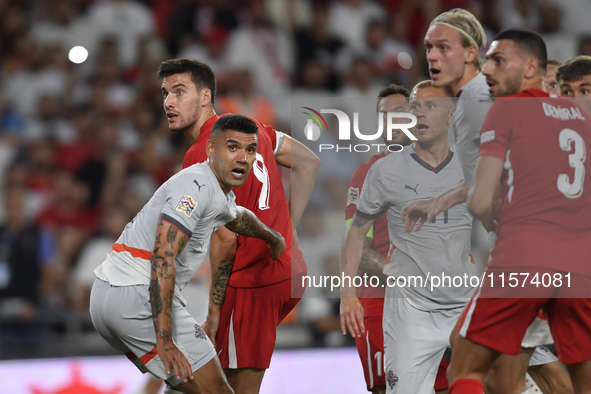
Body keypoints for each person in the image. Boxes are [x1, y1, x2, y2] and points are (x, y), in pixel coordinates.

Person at [407, 12, 568, 392]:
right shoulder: (475, 98)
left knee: (476, 361)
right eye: (429, 47)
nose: (432, 56)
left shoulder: (481, 99)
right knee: (529, 370)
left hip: (520, 252)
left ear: (470, 54)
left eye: (443, 47)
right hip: (545, 249)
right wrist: (441, 201)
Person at [89, 114, 287, 394]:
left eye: (250, 150)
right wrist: (165, 338)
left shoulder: (216, 193)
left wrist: (273, 237)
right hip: (135, 294)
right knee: (218, 391)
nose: (242, 157)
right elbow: (163, 256)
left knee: (183, 389)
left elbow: (236, 217)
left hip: (110, 296)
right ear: (210, 150)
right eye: (232, 148)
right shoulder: (195, 187)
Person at [157, 58, 320, 394]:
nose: (169, 102)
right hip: (287, 272)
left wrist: (214, 311)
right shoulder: (253, 129)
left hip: (250, 283)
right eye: (165, 93)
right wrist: (287, 228)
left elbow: (226, 241)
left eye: (179, 91)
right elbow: (308, 161)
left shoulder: (203, 154)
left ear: (205, 97)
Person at [446, 31, 591, 394]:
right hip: (580, 264)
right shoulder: (579, 115)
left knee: (465, 366)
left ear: (531, 67)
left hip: (525, 256)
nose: (488, 69)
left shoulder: (508, 108)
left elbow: (479, 201)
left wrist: (494, 213)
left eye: (498, 60)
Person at [341, 81, 474, 394]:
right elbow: (357, 244)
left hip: (449, 298)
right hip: (384, 301)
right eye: (385, 115)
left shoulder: (464, 166)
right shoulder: (372, 172)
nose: (393, 121)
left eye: (400, 112)